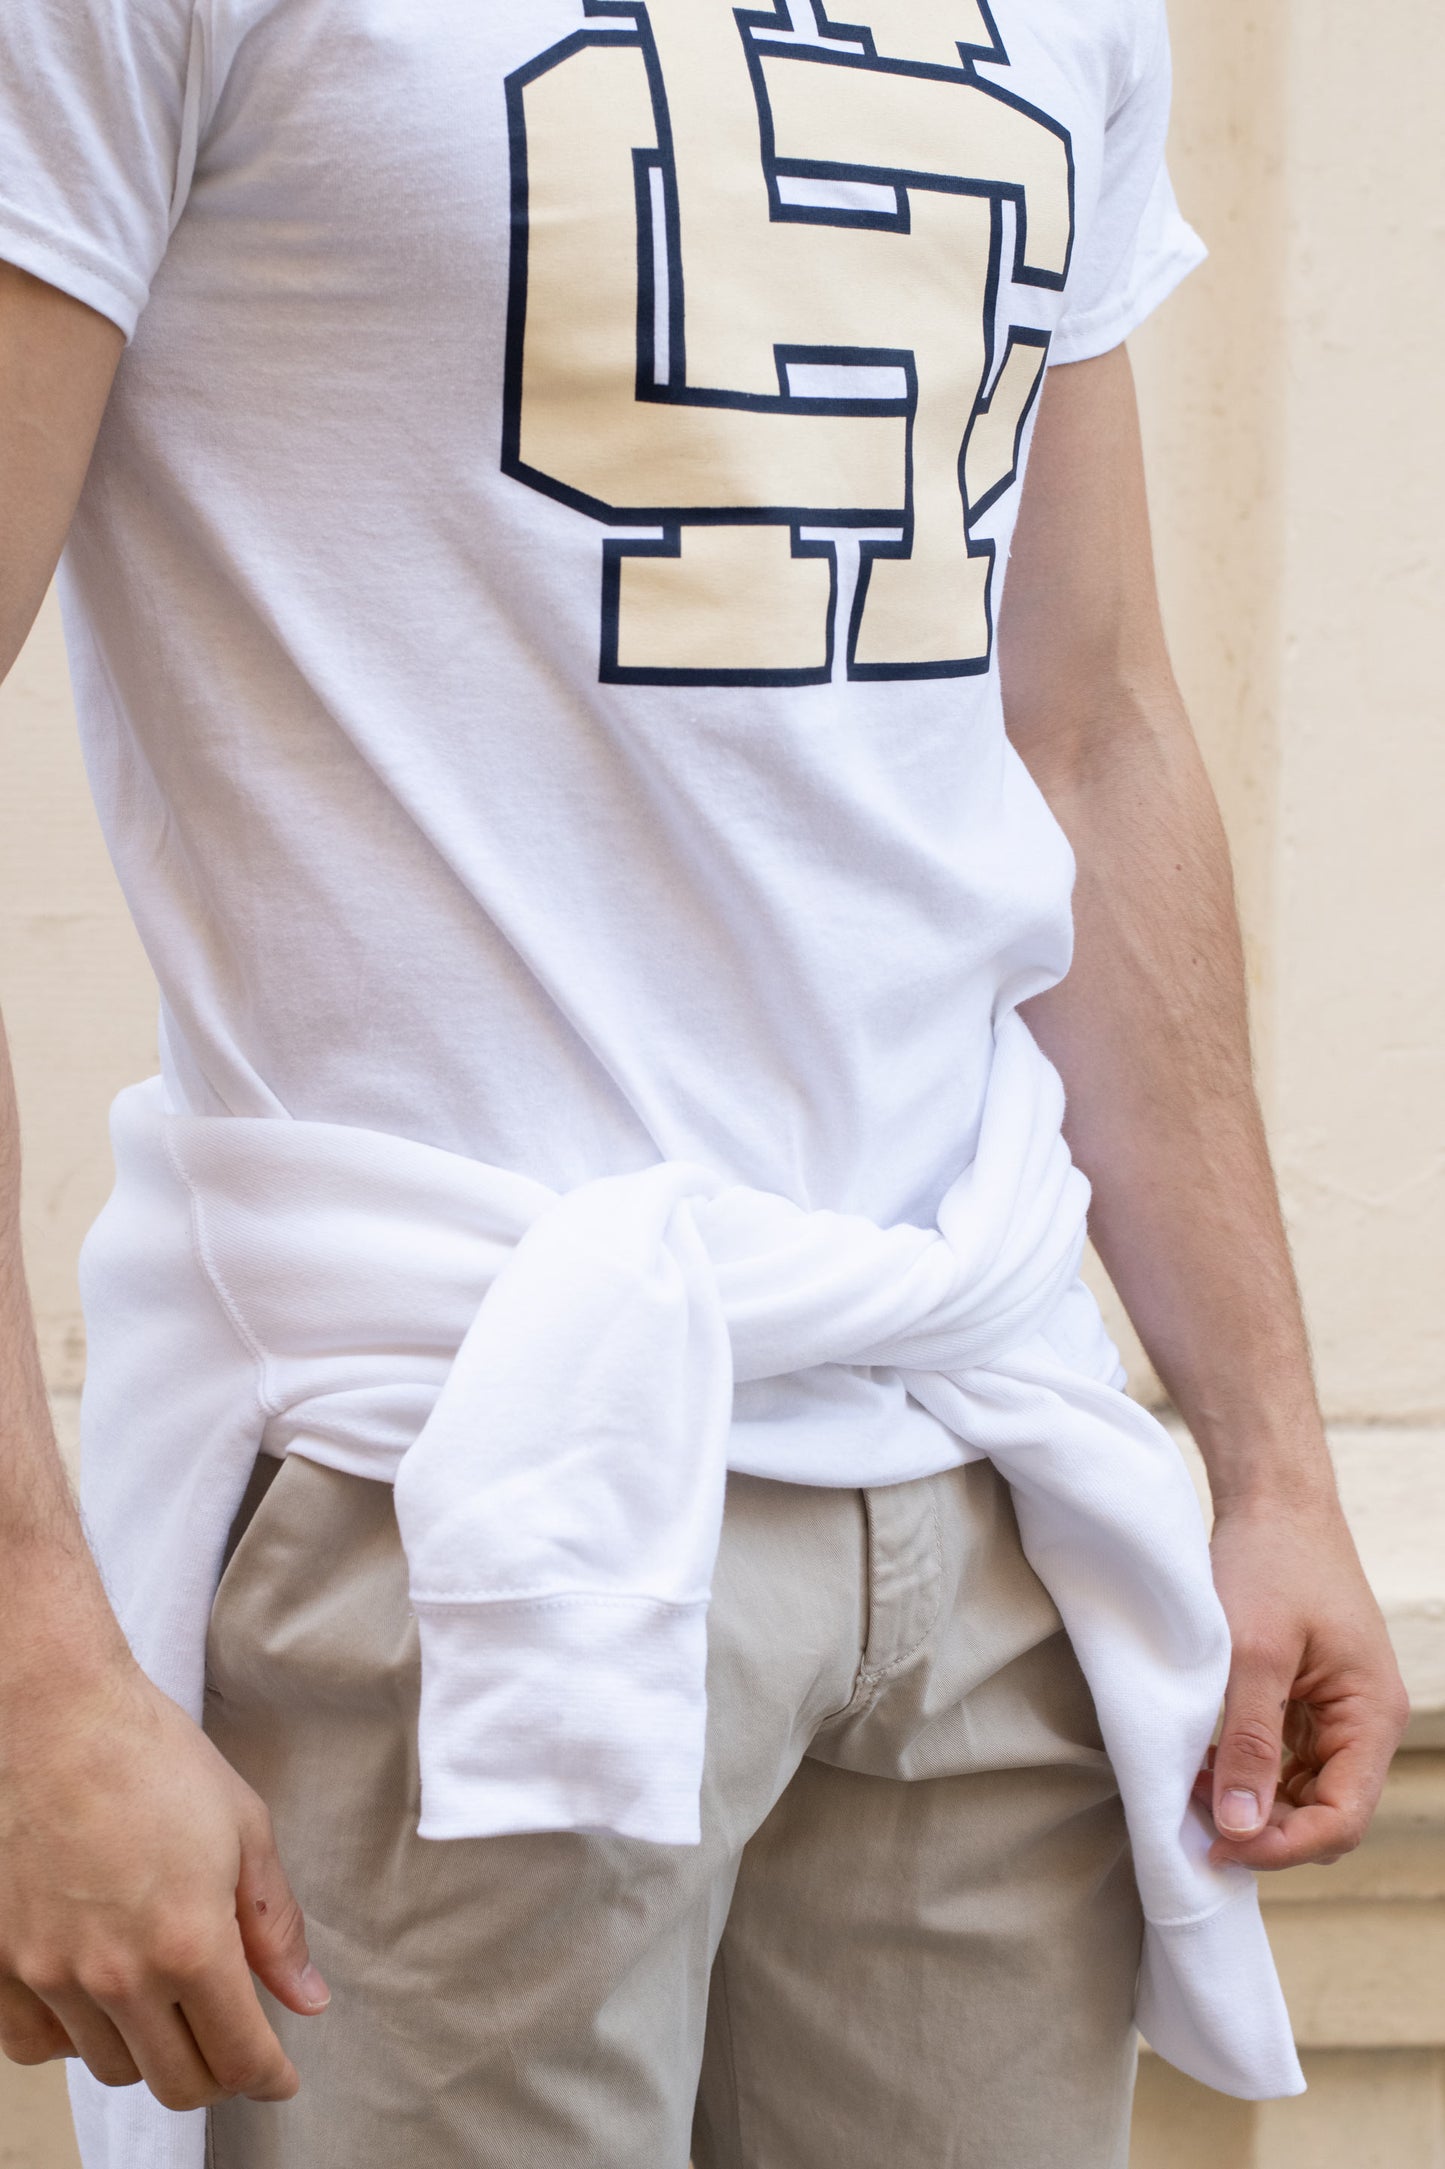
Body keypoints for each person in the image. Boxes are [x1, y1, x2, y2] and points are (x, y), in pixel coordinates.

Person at [0, 2, 1409, 2164]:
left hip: (978, 1467)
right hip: (440, 1474)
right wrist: (33, 1659)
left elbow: (1087, 722)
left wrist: (1269, 1461)